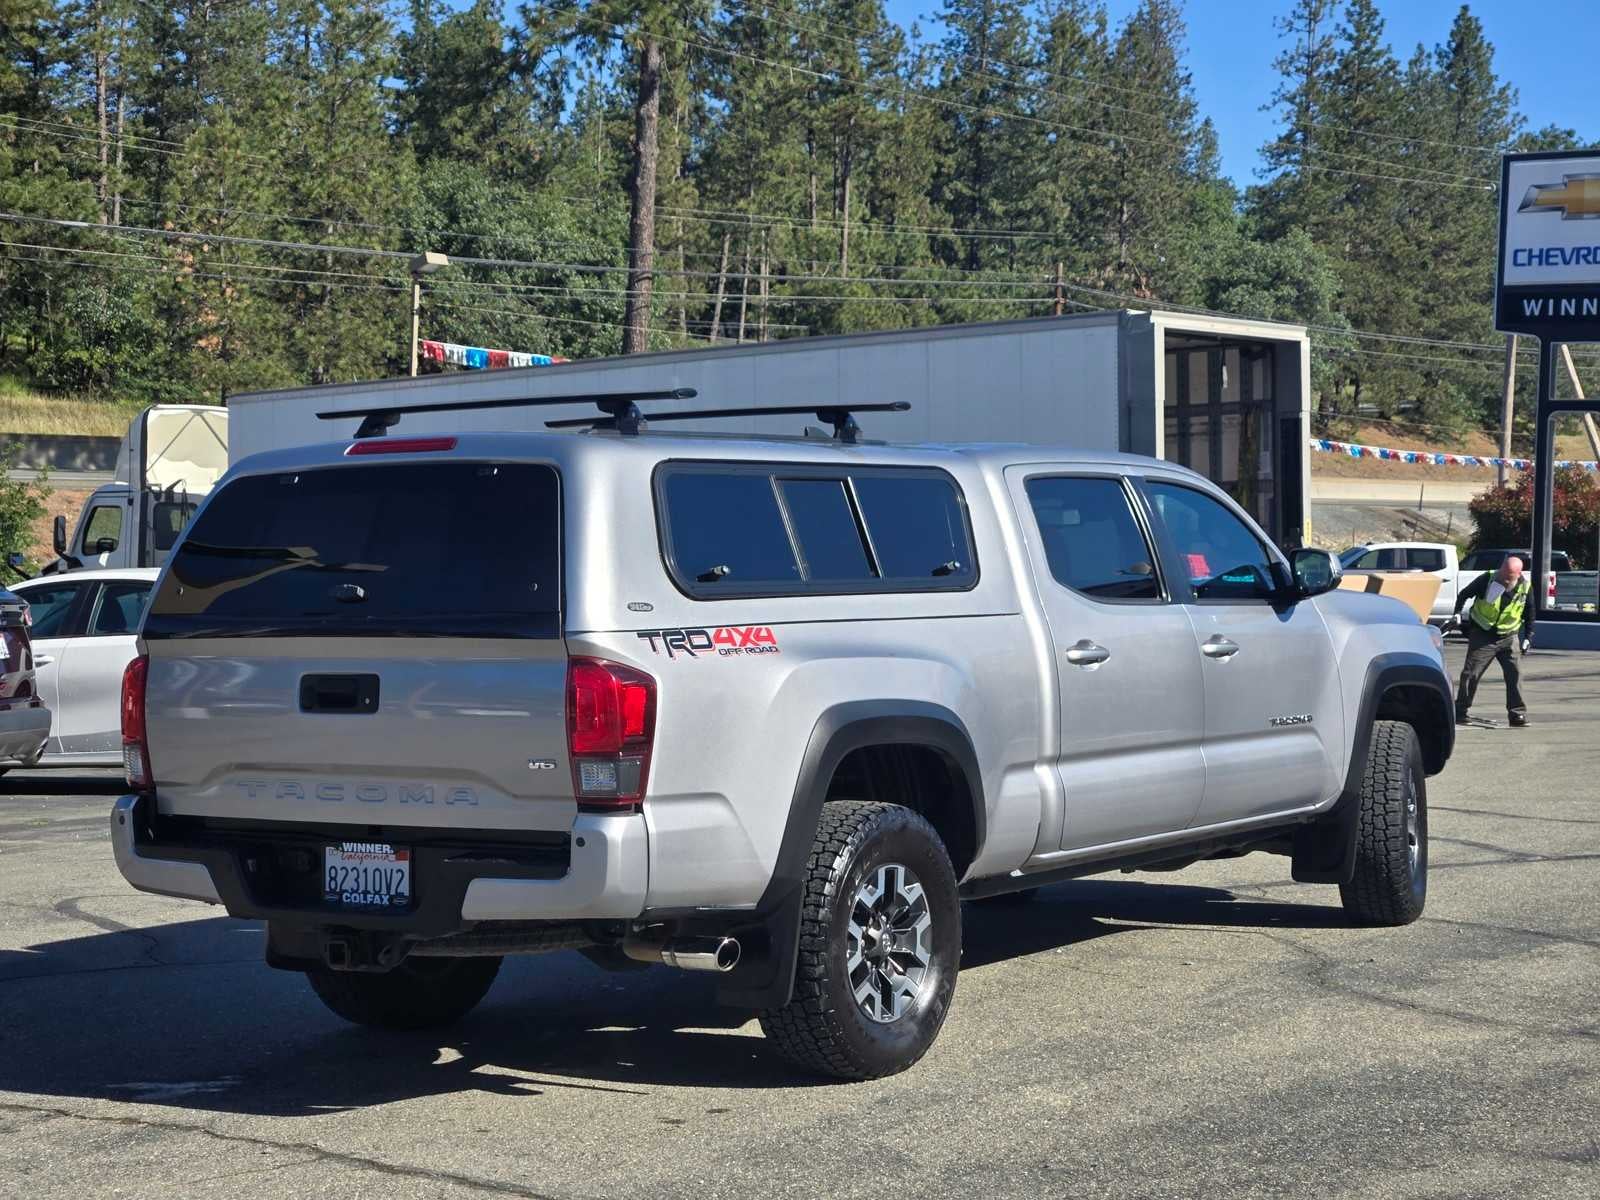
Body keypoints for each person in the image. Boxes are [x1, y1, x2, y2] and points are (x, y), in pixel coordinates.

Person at [1452, 555, 1534, 727]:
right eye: (1503, 572)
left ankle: (1517, 714)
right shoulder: (1487, 578)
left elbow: (1530, 612)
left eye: (1508, 576)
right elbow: (1464, 594)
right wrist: (1457, 613)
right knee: (1471, 674)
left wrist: (1527, 637)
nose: (1503, 578)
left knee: (1515, 675)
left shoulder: (1525, 587)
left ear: (1518, 574)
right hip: (1483, 635)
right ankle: (1460, 711)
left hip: (1509, 637)